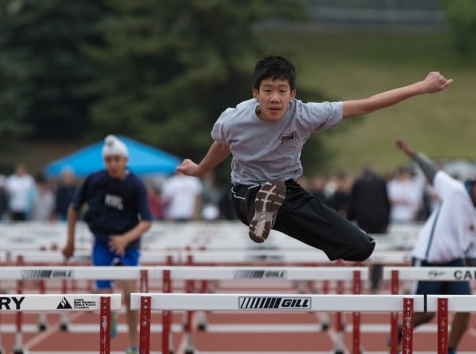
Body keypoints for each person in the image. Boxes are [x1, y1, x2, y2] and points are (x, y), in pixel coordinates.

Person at [176, 55, 452, 261]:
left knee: (360, 247)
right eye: (268, 90)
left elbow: (366, 104)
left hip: (289, 192)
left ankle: (270, 213)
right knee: (262, 195)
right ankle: (260, 214)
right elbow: (222, 145)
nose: (275, 98)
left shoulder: (305, 114)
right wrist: (200, 170)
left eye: (282, 91)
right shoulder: (234, 119)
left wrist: (420, 87)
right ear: (255, 93)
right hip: (246, 192)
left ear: (292, 94)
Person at [394, 138, 476, 354]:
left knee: (465, 306)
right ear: (474, 185)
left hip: (454, 262)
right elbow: (431, 171)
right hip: (428, 258)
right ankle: (400, 330)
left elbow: (472, 254)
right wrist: (411, 152)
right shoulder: (454, 190)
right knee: (425, 314)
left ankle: (450, 351)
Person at [62, 135, 153, 354]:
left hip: (127, 243)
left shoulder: (135, 185)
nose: (113, 163)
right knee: (104, 297)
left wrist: (125, 238)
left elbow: (147, 221)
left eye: (117, 159)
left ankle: (134, 347)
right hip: (102, 242)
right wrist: (70, 241)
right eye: (109, 159)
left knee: (132, 295)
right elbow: (73, 208)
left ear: (125, 160)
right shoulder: (94, 180)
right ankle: (112, 312)